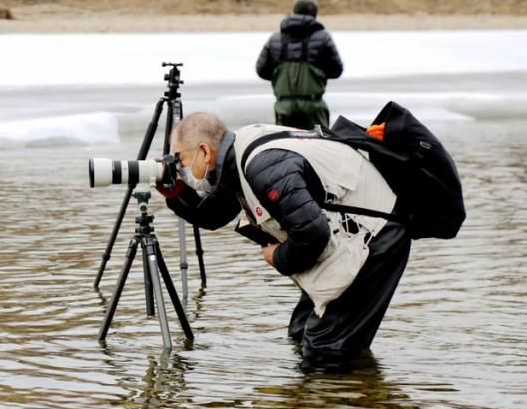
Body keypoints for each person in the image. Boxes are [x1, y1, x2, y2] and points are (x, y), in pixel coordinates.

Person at [156, 112, 411, 370]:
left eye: (180, 159)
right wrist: (175, 191)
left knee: (325, 349)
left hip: (378, 236)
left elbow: (313, 235)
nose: (180, 168)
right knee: (301, 333)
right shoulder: (237, 156)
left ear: (204, 151)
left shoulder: (262, 167)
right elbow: (213, 215)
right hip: (354, 233)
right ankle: (343, 396)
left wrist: (278, 257)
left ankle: (349, 404)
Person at [256, 0, 343, 130]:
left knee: (285, 146)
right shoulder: (323, 38)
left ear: (294, 12)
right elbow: (337, 70)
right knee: (318, 146)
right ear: (314, 15)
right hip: (314, 107)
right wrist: (317, 73)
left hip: (284, 106)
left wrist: (280, 78)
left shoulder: (275, 39)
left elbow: (261, 70)